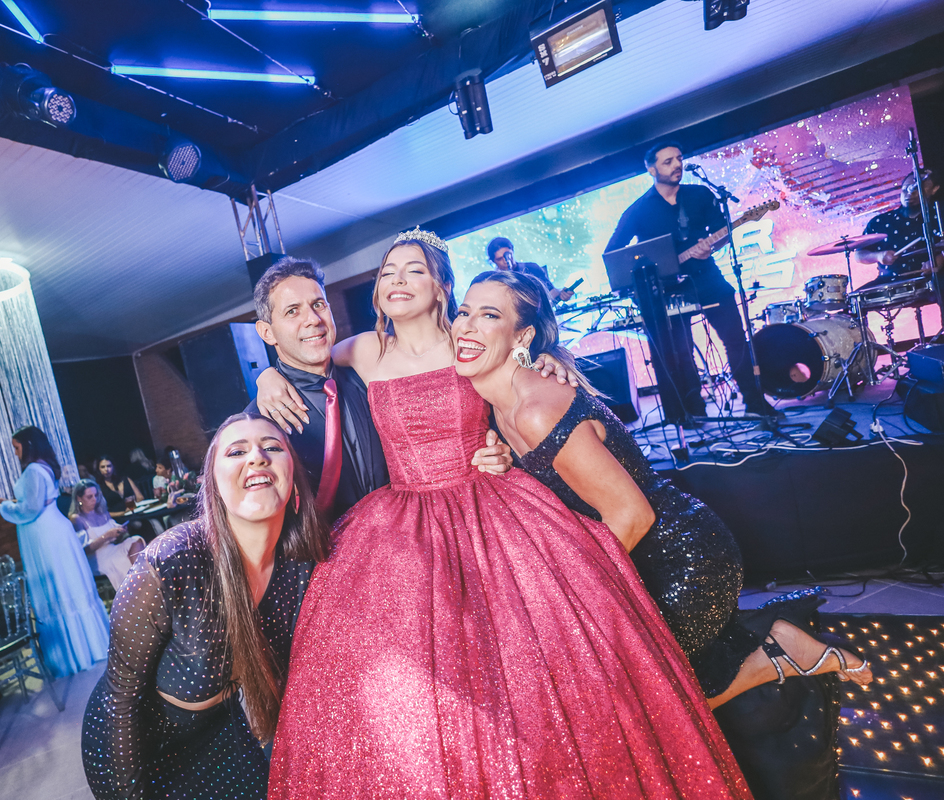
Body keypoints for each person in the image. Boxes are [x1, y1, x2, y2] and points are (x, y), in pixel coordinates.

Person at [265, 228, 750, 798]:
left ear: (442, 287)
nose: (397, 280)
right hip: (401, 524)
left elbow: (515, 366)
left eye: (414, 270)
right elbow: (305, 355)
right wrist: (268, 373)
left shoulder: (466, 340)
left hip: (488, 506)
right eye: (388, 271)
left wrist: (546, 358)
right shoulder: (364, 351)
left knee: (527, 665)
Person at [454, 269, 872, 795]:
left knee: (635, 715)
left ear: (523, 336)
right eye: (464, 311)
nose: (467, 325)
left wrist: (566, 603)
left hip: (684, 562)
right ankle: (777, 644)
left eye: (489, 314)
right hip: (635, 563)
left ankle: (773, 658)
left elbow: (633, 517)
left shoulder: (537, 409)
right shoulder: (494, 402)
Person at [81, 413, 329, 800]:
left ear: (294, 477)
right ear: (213, 485)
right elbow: (120, 701)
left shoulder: (300, 565)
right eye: (236, 451)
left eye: (272, 447)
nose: (257, 457)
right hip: (136, 745)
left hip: (218, 731)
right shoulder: (172, 563)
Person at [248, 255, 527, 522]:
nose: (312, 319)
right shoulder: (262, 417)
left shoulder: (367, 372)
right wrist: (266, 375)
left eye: (318, 304)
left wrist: (497, 449)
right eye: (292, 311)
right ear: (267, 333)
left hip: (410, 525)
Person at [605, 141, 777, 422]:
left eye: (679, 158)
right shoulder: (638, 210)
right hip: (668, 289)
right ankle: (693, 411)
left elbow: (721, 234)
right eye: (668, 161)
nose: (677, 165)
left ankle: (756, 403)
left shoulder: (700, 195)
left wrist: (711, 246)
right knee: (681, 352)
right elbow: (614, 254)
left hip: (707, 277)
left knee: (736, 339)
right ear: (651, 170)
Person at [0, 426, 109, 678]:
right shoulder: (43, 467)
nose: (15, 452)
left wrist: (3, 509)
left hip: (44, 534)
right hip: (50, 529)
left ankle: (74, 655)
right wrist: (7, 503)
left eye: (17, 447)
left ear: (28, 445)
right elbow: (35, 501)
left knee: (57, 586)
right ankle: (89, 646)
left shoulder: (33, 469)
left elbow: (30, 509)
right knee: (66, 585)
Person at [856, 169, 940, 289]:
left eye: (917, 188)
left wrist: (941, 258)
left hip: (932, 280)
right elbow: (859, 254)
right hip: (889, 282)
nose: (910, 193)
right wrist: (878, 256)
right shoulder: (881, 221)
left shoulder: (940, 216)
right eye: (905, 189)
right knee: (855, 297)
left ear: (934, 189)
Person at [69, 478, 145, 590]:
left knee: (135, 540)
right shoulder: (77, 519)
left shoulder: (101, 512)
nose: (94, 499)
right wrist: (106, 536)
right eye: (89, 497)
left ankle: (144, 582)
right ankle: (136, 589)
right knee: (121, 560)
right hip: (98, 558)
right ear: (79, 498)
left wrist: (120, 533)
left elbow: (116, 538)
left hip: (113, 548)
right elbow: (84, 550)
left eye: (96, 495)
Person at [487, 235, 574, 302]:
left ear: (512, 251)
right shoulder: (494, 282)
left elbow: (551, 293)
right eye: (499, 259)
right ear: (493, 261)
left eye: (508, 255)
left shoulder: (532, 268)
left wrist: (562, 294)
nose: (506, 260)